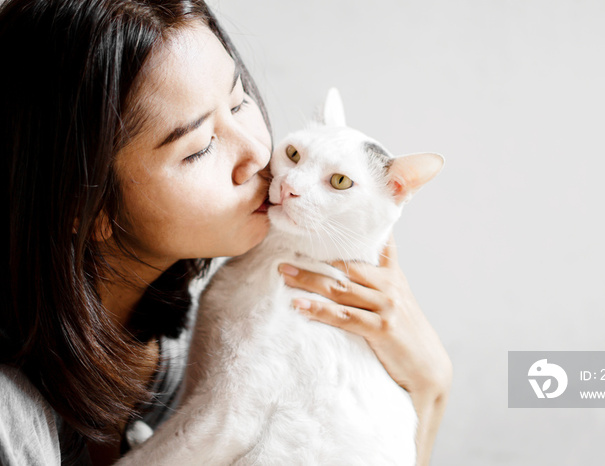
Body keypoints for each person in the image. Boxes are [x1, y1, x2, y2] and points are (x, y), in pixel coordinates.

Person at [0, 0, 452, 464]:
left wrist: (430, 384)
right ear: (84, 205)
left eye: (240, 102)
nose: (259, 154)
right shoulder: (9, 419)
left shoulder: (177, 345)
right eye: (199, 148)